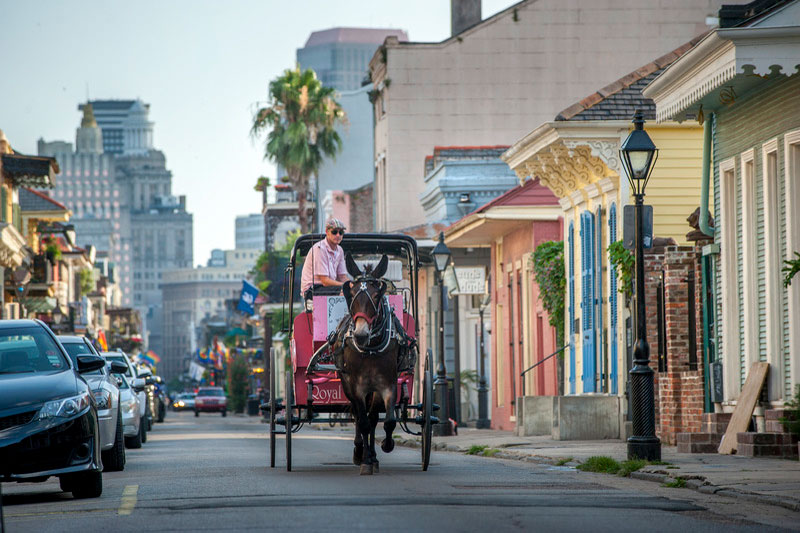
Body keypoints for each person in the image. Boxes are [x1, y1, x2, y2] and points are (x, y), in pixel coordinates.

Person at [300, 218, 350, 300]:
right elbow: (325, 281)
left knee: (354, 291)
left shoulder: (340, 250)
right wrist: (346, 285)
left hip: (327, 288)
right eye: (334, 232)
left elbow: (342, 276)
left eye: (341, 232)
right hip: (312, 290)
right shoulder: (320, 249)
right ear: (327, 232)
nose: (338, 235)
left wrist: (353, 285)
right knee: (344, 291)